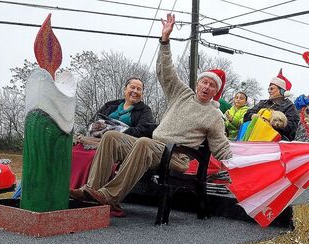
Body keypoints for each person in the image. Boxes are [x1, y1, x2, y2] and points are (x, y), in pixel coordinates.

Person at [69, 13, 232, 216]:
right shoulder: (182, 93)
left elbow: (221, 146)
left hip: (176, 156)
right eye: (204, 82)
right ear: (198, 83)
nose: (206, 86)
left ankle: (110, 197)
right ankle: (91, 190)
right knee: (110, 137)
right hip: (151, 147)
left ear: (216, 91)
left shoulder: (214, 115)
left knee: (144, 142)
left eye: (212, 85)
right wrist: (165, 40)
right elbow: (166, 71)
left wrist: (245, 161)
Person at [70, 77, 155, 189]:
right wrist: (96, 127)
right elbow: (92, 121)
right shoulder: (110, 105)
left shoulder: (145, 110)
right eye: (132, 87)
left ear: (142, 93)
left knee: (93, 156)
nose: (135, 91)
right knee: (74, 151)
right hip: (95, 139)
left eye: (139, 89)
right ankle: (68, 188)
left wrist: (114, 129)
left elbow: (143, 131)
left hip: (118, 143)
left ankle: (88, 189)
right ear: (125, 89)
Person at [243, 69, 299, 141]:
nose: (269, 91)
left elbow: (292, 127)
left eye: (272, 89)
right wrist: (252, 116)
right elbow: (246, 115)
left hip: (277, 142)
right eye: (268, 89)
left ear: (282, 91)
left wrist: (276, 123)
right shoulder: (263, 103)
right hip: (256, 139)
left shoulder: (289, 106)